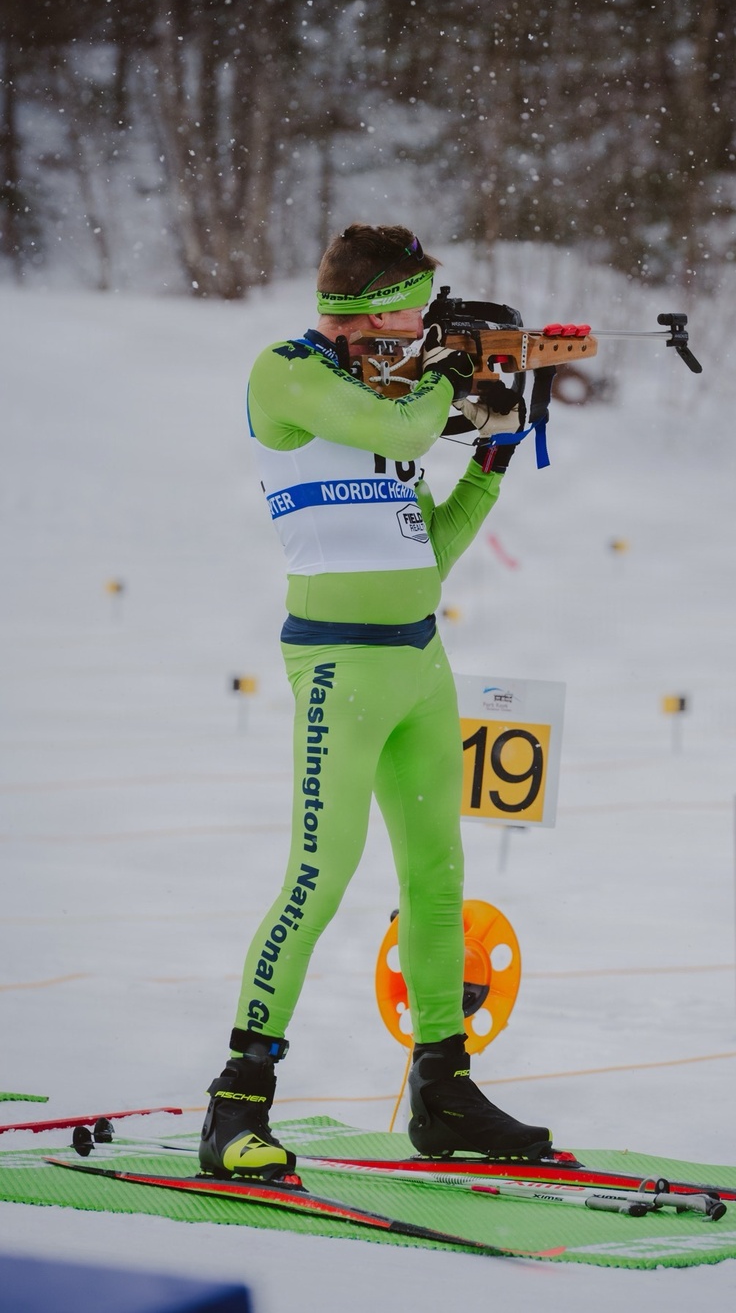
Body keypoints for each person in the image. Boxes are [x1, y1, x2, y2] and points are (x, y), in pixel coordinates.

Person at [199, 223, 551, 1178]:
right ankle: (237, 1101)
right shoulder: (286, 375)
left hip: (419, 660)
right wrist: (450, 379)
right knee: (319, 877)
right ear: (366, 311)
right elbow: (404, 428)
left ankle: (444, 1088)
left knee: (437, 879)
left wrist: (493, 454)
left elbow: (427, 553)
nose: (424, 323)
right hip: (338, 669)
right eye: (413, 308)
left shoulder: (391, 397)